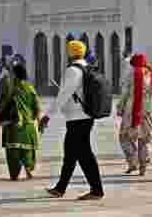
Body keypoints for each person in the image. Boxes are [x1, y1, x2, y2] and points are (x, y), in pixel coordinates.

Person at [40, 40, 104, 201]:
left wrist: (48, 115)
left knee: (83, 154)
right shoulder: (87, 68)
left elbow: (64, 95)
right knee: (71, 153)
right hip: (85, 116)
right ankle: (60, 188)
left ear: (70, 53)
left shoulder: (73, 70)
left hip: (77, 118)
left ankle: (97, 190)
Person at [0, 61, 40, 181]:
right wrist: (37, 121)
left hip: (13, 125)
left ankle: (15, 175)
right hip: (28, 125)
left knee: (13, 152)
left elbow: (1, 104)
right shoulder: (30, 88)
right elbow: (37, 107)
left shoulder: (11, 88)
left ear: (15, 74)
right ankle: (28, 170)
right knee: (27, 150)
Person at [117, 54, 152, 176]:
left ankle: (133, 162)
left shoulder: (132, 74)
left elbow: (125, 93)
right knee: (145, 139)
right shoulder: (150, 73)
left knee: (125, 137)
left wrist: (120, 107)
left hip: (132, 110)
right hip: (148, 110)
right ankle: (143, 165)